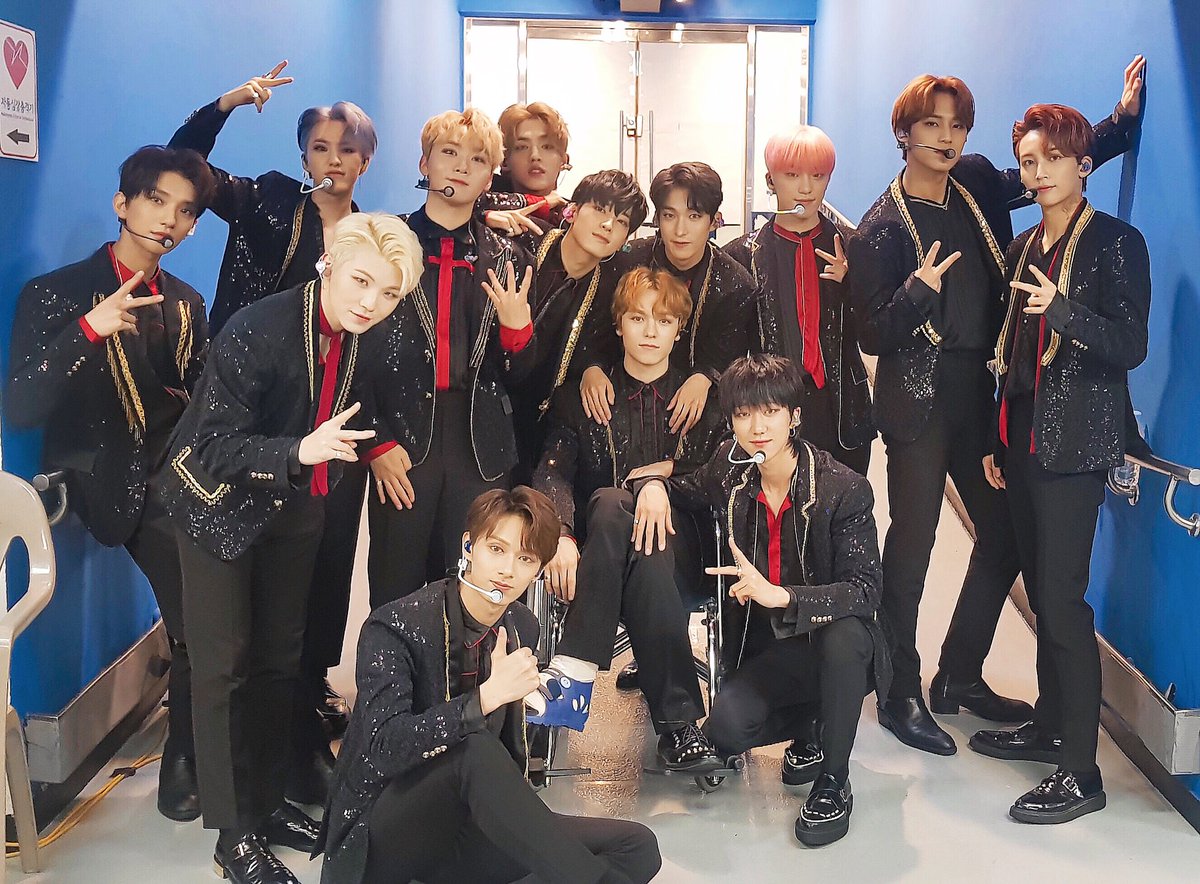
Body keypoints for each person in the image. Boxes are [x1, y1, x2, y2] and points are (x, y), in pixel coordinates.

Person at [848, 57, 1145, 756]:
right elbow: (872, 334)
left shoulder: (977, 183)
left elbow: (1048, 170)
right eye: (931, 125)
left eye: (957, 126)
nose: (946, 138)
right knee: (913, 547)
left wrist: (1120, 122)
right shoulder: (880, 229)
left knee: (1008, 534)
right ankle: (898, 692)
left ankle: (958, 673)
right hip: (918, 402)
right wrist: (917, 292)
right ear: (904, 133)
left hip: (981, 397)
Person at [157, 213, 423, 883]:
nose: (371, 302)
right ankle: (232, 836)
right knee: (223, 669)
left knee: (282, 660)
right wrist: (298, 452)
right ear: (329, 264)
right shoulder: (257, 328)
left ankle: (267, 800)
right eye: (361, 281)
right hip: (215, 504)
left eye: (388, 292)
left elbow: (362, 407)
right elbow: (208, 446)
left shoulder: (364, 335)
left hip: (292, 502)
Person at [170, 59, 381, 752]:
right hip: (251, 420)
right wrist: (226, 103)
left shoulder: (373, 237)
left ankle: (304, 698)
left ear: (366, 159)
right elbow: (183, 166)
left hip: (331, 427)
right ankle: (220, 740)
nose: (334, 159)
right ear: (303, 156)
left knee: (323, 570)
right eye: (320, 147)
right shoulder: (267, 201)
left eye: (347, 148)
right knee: (243, 578)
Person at [6, 145, 215, 822]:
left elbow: (200, 397)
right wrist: (88, 331)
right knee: (199, 603)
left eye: (186, 211)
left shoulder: (186, 302)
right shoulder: (58, 292)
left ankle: (211, 730)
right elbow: (21, 407)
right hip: (111, 474)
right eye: (156, 200)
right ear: (123, 204)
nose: (169, 220)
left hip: (179, 469)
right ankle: (187, 752)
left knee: (233, 573)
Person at [319, 486, 662, 884]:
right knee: (473, 750)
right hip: (384, 832)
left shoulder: (522, 626)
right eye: (496, 550)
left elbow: (506, 763)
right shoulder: (395, 626)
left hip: (469, 828)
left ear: (538, 570)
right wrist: (484, 699)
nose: (507, 570)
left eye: (525, 558)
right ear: (469, 546)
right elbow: (385, 748)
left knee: (637, 846)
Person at [970, 104, 1151, 824]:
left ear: (1083, 163)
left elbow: (1130, 345)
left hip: (1076, 448)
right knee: (1044, 597)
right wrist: (995, 439)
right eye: (1028, 161)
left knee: (1064, 601)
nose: (1038, 172)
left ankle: (1081, 772)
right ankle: (1049, 724)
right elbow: (1011, 353)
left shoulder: (1115, 242)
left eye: (1051, 158)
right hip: (1022, 440)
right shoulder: (1023, 248)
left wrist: (1064, 311)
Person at [664, 354, 888, 846]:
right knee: (725, 730)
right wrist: (652, 489)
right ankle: (815, 724)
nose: (758, 428)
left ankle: (834, 779)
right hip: (768, 648)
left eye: (770, 412)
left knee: (846, 637)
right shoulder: (730, 469)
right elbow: (689, 488)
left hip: (830, 640)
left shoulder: (843, 488)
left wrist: (782, 595)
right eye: (744, 414)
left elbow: (865, 590)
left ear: (795, 416)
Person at [529, 267, 728, 773]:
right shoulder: (582, 396)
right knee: (614, 508)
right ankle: (678, 727)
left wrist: (663, 480)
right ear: (618, 325)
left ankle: (573, 667)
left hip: (686, 556)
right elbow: (552, 471)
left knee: (622, 511)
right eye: (638, 318)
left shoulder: (703, 399)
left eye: (663, 321)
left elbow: (724, 472)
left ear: (679, 329)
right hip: (605, 556)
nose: (650, 331)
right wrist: (562, 537)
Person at [364, 108, 540, 608]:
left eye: (478, 159)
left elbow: (526, 381)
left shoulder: (510, 257)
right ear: (425, 162)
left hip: (480, 442)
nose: (462, 167)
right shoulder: (384, 244)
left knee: (475, 588)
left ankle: (471, 665)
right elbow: (352, 350)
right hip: (400, 437)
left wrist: (518, 332)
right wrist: (375, 441)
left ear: (490, 177)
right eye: (449, 153)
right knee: (395, 585)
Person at [724, 125, 875, 474]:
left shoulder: (855, 247)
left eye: (818, 176)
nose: (806, 188)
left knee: (846, 501)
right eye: (792, 175)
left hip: (842, 409)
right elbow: (730, 348)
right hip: (770, 407)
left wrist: (853, 283)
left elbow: (874, 331)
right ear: (771, 179)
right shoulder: (742, 256)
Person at [509, 169, 649, 479]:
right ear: (571, 211)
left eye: (622, 222)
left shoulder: (611, 284)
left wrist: (593, 367)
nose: (608, 225)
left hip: (544, 426)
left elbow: (598, 346)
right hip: (486, 413)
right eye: (599, 209)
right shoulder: (523, 245)